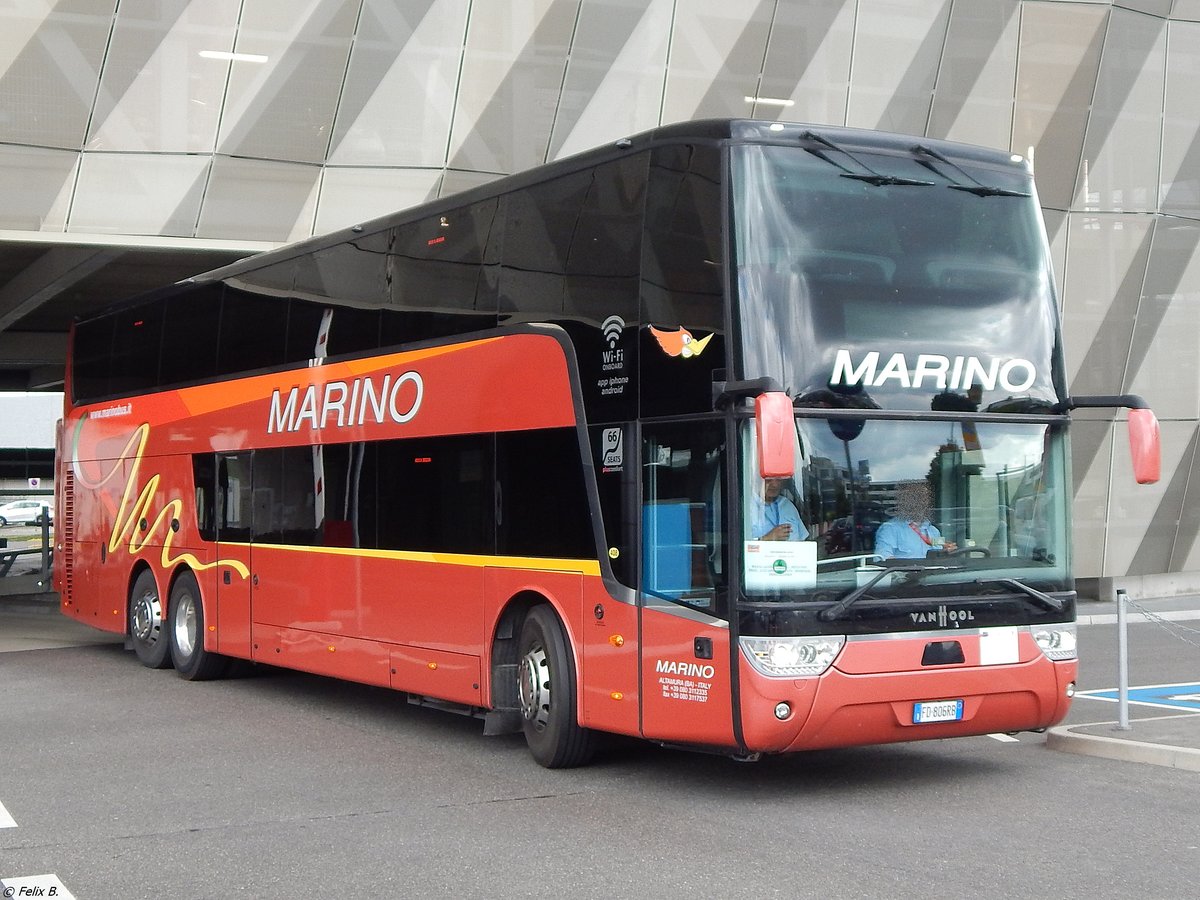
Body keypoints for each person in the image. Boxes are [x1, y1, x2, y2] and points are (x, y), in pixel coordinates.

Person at [875, 482, 956, 559]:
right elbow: (883, 559)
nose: (918, 504)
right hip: (905, 570)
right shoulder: (890, 529)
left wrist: (947, 549)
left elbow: (941, 544)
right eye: (913, 499)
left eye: (923, 500)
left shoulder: (933, 530)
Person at [749, 477, 809, 542]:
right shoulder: (747, 507)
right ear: (757, 480)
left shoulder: (788, 505)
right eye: (768, 479)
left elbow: (804, 540)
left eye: (778, 480)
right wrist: (767, 538)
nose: (775, 485)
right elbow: (742, 544)